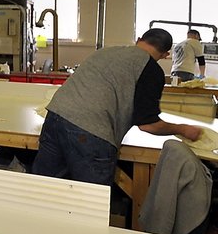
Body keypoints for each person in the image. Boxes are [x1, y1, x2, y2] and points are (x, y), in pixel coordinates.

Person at [32, 28, 203, 186]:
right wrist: (183, 129)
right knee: (92, 198)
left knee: (45, 189)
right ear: (166, 54)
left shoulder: (106, 51)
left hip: (55, 117)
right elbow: (148, 124)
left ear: (139, 40)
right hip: (90, 131)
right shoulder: (151, 69)